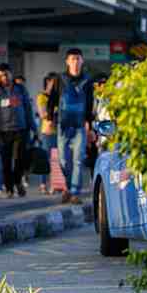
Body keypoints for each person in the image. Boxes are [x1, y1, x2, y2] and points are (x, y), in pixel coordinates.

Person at [0, 64, 37, 198]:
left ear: (11, 74)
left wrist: (34, 127)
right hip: (3, 130)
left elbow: (28, 109)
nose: (4, 77)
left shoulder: (21, 89)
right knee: (5, 161)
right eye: (1, 75)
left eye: (6, 74)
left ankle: (18, 182)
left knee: (19, 159)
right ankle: (9, 188)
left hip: (20, 129)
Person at [54, 48, 95, 205]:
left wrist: (89, 125)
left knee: (78, 160)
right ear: (67, 61)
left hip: (79, 125)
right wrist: (51, 117)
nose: (75, 62)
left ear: (82, 61)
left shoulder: (87, 80)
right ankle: (69, 188)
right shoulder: (60, 78)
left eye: (78, 59)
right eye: (72, 59)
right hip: (62, 124)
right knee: (63, 160)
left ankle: (75, 192)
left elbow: (90, 103)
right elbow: (53, 98)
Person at [35, 73, 59, 194]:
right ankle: (43, 184)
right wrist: (55, 112)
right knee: (45, 159)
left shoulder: (59, 97)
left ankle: (55, 185)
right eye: (53, 83)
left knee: (57, 160)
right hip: (47, 131)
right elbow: (42, 114)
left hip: (59, 131)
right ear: (48, 82)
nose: (55, 85)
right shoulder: (42, 96)